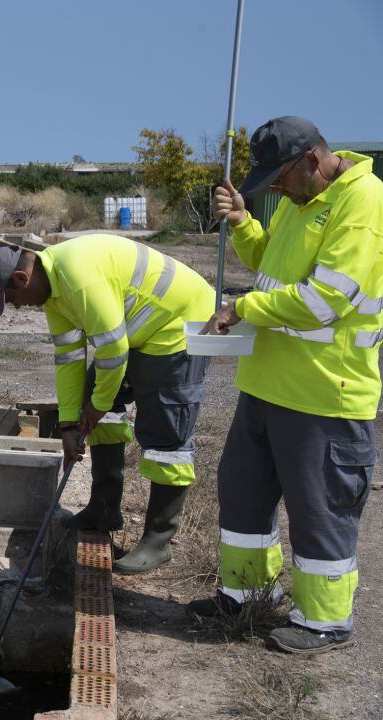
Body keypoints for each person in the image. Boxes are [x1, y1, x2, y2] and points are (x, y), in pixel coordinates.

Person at [187, 116, 383, 654]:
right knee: (243, 493)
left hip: (324, 396)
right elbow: (271, 266)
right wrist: (246, 224)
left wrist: (240, 307)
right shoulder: (302, 204)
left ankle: (324, 621)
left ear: (313, 162)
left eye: (280, 177)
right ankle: (246, 595)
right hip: (267, 387)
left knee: (319, 512)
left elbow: (325, 300)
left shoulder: (362, 206)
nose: (274, 187)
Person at [0, 233, 214, 573]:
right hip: (140, 329)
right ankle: (104, 508)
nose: (19, 306)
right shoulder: (54, 294)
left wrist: (97, 406)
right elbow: (68, 359)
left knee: (166, 430)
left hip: (178, 323)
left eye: (12, 299)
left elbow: (114, 351)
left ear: (21, 277)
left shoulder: (78, 278)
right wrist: (69, 424)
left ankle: (158, 540)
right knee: (94, 388)